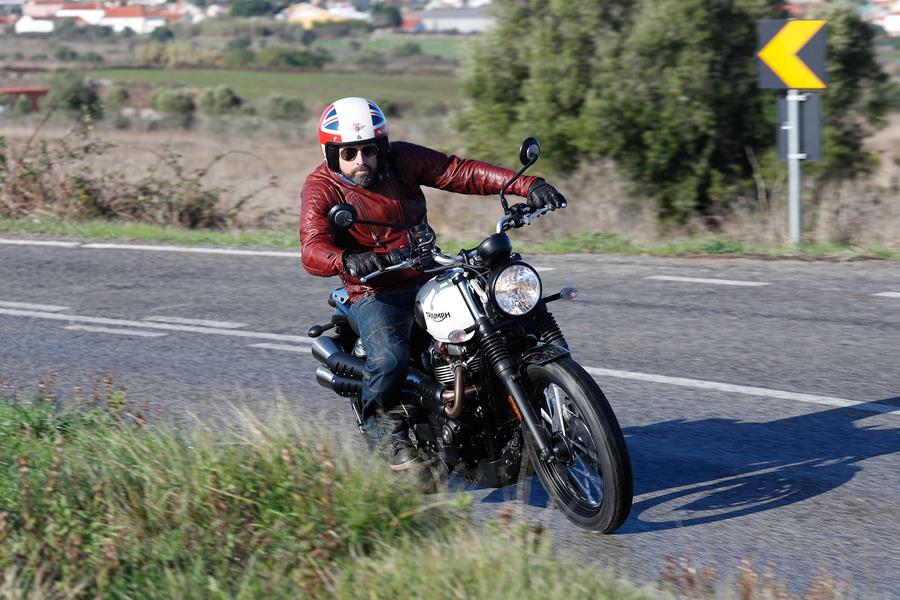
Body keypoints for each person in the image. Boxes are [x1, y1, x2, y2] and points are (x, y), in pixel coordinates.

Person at [300, 97, 566, 471]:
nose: (361, 160)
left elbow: (459, 172)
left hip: (428, 269)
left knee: (504, 314)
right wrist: (346, 258)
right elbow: (312, 246)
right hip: (374, 289)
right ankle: (383, 428)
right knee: (390, 357)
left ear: (382, 147)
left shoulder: (403, 159)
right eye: (349, 153)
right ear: (333, 155)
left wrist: (526, 185)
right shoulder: (321, 188)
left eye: (369, 150)